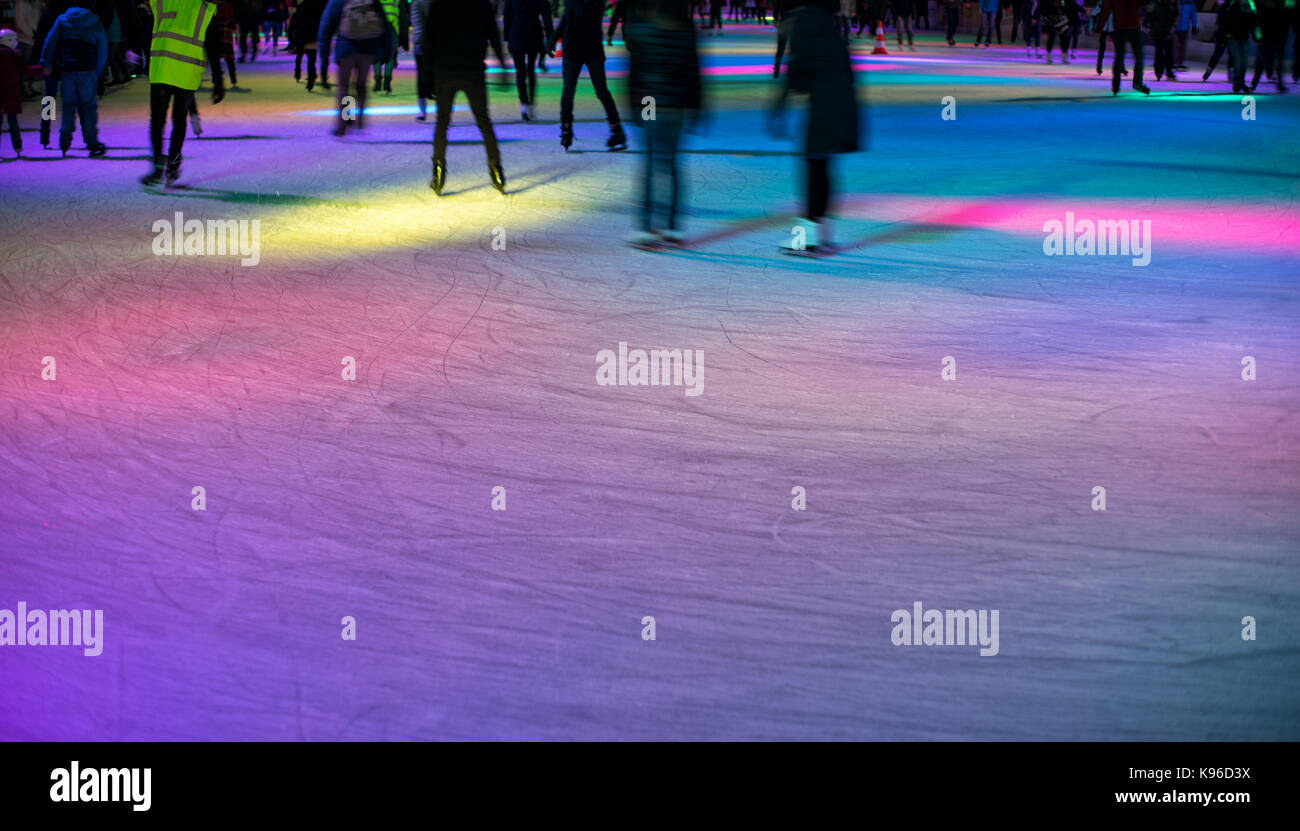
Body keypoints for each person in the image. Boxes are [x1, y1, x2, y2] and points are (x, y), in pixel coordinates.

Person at [772, 0, 860, 255]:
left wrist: (780, 105)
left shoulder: (806, 22)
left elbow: (798, 69)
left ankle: (808, 236)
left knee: (813, 167)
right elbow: (847, 70)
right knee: (822, 166)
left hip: (822, 106)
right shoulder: (832, 26)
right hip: (841, 105)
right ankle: (821, 231)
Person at [621, 0, 702, 246]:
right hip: (676, 103)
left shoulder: (641, 29)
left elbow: (634, 72)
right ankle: (672, 227)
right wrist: (696, 107)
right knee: (671, 164)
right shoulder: (685, 30)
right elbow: (694, 72)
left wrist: (632, 107)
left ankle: (646, 227)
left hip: (649, 102)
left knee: (649, 162)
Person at [423, 0, 507, 196]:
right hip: (472, 70)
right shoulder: (481, 4)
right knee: (483, 121)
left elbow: (429, 39)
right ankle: (496, 171)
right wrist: (502, 64)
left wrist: (426, 77)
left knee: (442, 122)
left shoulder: (439, 4)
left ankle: (438, 171)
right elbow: (493, 34)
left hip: (445, 71)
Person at [141, 0, 225, 185]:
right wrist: (218, 79)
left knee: (157, 121)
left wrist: (148, 62)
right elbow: (212, 46)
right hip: (187, 72)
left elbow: (147, 34)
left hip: (162, 68)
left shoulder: (162, 3)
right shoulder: (203, 9)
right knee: (179, 120)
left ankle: (157, 167)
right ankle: (173, 163)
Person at [549, 0, 626, 152]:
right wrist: (554, 38)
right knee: (586, 91)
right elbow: (567, 18)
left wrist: (554, 38)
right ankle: (568, 128)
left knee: (582, 91)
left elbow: (576, 14)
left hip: (583, 49)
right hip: (584, 49)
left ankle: (615, 129)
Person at [41, 2, 108, 158]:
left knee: (68, 105)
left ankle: (64, 141)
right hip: (88, 69)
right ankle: (91, 142)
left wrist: (47, 62)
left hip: (68, 69)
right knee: (89, 107)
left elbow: (50, 41)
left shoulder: (63, 19)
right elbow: (103, 48)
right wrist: (98, 71)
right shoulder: (95, 22)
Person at [318, 0, 391, 136]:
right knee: (361, 85)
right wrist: (386, 52)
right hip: (368, 48)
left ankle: (343, 125)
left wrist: (324, 54)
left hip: (346, 48)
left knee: (344, 87)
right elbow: (385, 25)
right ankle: (360, 122)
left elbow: (326, 26)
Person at [506, 0, 553, 122]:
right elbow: (546, 17)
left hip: (516, 34)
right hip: (533, 33)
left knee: (520, 73)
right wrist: (550, 38)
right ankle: (531, 105)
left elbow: (507, 14)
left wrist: (507, 36)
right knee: (531, 71)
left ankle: (524, 104)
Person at [0, 27, 43, 157]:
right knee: (13, 122)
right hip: (10, 94)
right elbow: (24, 70)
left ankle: (17, 147)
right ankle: (17, 146)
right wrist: (41, 69)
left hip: (3, 95)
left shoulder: (11, 55)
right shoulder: (12, 55)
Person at [1098, 0, 1149, 94]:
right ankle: (1135, 83)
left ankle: (1116, 86)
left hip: (1123, 27)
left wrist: (1100, 28)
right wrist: (1100, 28)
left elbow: (1106, 9)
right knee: (1136, 56)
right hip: (1128, 27)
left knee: (1121, 56)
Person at [1219, 0, 1258, 93]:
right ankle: (1237, 82)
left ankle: (1240, 82)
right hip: (1234, 38)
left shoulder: (1246, 6)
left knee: (1243, 62)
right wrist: (1225, 36)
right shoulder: (1234, 6)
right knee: (1239, 61)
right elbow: (1227, 22)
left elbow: (1252, 23)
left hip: (1243, 38)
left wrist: (1255, 37)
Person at [1249, 0, 1287, 92]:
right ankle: (1255, 83)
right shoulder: (1277, 7)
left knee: (1264, 61)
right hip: (1272, 38)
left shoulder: (1264, 7)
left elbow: (1256, 21)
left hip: (1272, 37)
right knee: (1265, 61)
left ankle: (1254, 84)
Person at [289, 0, 326, 91]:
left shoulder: (303, 5)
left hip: (301, 33)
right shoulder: (320, 4)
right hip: (313, 34)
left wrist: (291, 31)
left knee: (299, 54)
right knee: (311, 58)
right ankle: (311, 79)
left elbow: (295, 19)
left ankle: (297, 73)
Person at [371, 0, 399, 93]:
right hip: (392, 26)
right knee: (390, 55)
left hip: (377, 26)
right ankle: (387, 83)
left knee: (377, 54)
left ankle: (377, 82)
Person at [1146, 0, 1177, 80]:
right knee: (1159, 51)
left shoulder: (1171, 4)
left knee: (1168, 51)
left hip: (1167, 31)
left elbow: (1176, 15)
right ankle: (1159, 71)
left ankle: (1168, 71)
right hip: (1157, 31)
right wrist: (1145, 25)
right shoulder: (1154, 4)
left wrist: (1174, 26)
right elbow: (1149, 15)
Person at [410, 0, 430, 118]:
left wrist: (419, 41)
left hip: (422, 43)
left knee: (421, 75)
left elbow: (417, 24)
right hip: (437, 43)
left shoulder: (417, 3)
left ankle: (422, 109)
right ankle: (442, 109)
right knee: (437, 75)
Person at [1172, 0, 1197, 70]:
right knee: (1175, 45)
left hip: (1184, 27)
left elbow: (1193, 14)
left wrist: (1194, 26)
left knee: (1182, 46)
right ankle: (1174, 62)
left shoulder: (1190, 3)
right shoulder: (1175, 2)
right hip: (1174, 28)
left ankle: (1180, 63)